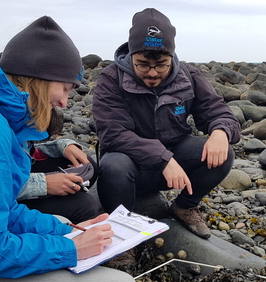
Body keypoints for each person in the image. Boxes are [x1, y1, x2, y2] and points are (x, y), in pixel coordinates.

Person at [0, 16, 136, 282]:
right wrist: (69, 251)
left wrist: (67, 231)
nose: (64, 102)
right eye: (65, 88)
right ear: (40, 80)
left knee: (59, 218)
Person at [93, 8, 241, 239]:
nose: (152, 73)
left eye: (161, 64)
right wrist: (163, 158)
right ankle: (119, 229)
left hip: (176, 160)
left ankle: (184, 206)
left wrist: (221, 132)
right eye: (142, 64)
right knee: (113, 165)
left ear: (172, 57)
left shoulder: (188, 75)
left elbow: (218, 111)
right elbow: (113, 134)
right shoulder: (111, 79)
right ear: (131, 55)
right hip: (131, 167)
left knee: (223, 152)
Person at [16, 112, 101, 223]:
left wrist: (61, 147)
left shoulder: (11, 109)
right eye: (64, 93)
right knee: (86, 205)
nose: (63, 103)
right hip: (5, 203)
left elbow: (25, 150)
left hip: (19, 175)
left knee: (87, 166)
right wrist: (44, 184)